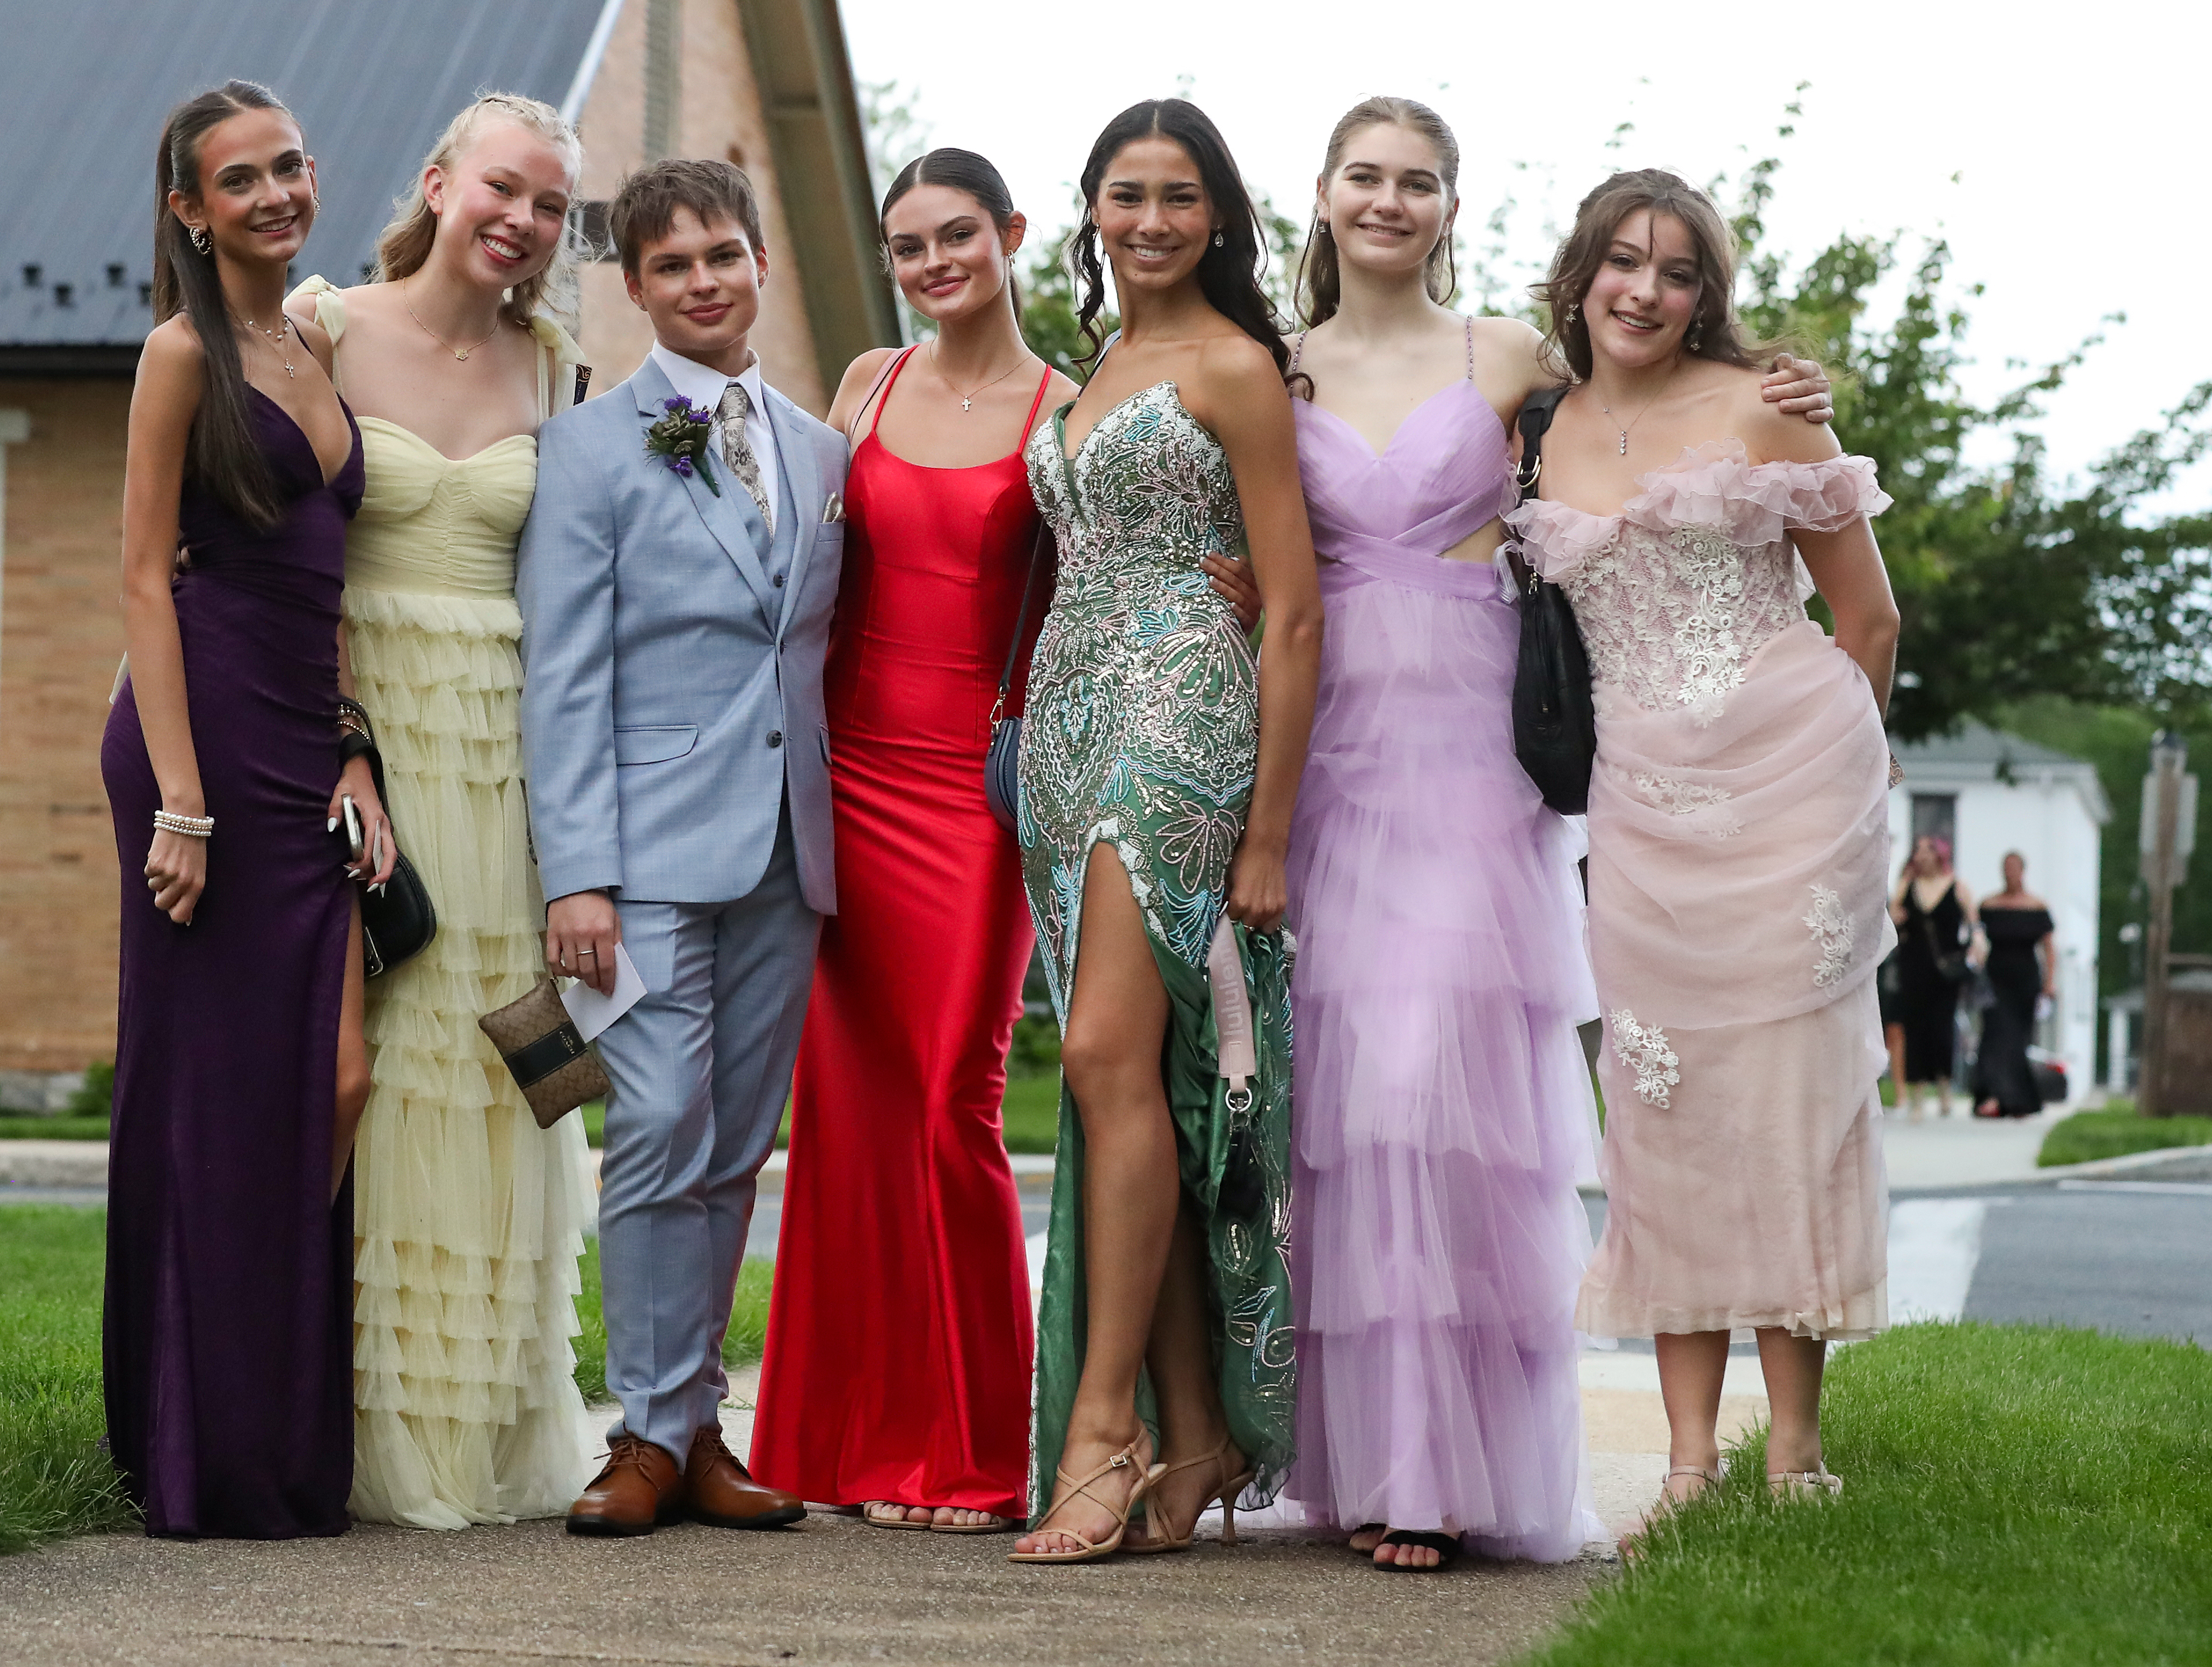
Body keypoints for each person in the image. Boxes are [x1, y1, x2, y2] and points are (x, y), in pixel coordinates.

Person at [1279, 99, 1839, 1573]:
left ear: (1452, 207)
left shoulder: (1513, 364)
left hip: (1476, 743)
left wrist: (1790, 387)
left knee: (1454, 1093)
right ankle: (1382, 1461)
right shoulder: (1273, 368)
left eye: (1418, 181)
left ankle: (1457, 1467)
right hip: (1336, 743)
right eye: (1365, 176)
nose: (1389, 200)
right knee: (1356, 1100)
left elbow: (1663, 417)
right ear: (1323, 196)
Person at [749, 149, 1262, 1536]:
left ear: (1012, 235)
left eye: (955, 235)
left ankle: (973, 1449)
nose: (930, 263)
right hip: (836, 779)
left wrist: (1245, 579)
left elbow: (1171, 522)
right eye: (906, 242)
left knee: (945, 1105)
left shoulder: (1063, 410)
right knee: (845, 1120)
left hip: (979, 788)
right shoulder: (861, 385)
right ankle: (831, 1442)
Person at [1506, 169, 1900, 1537]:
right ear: (1582, 272)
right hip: (1638, 817)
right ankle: (1684, 1460)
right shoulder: (1536, 430)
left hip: (1789, 802)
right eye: (1622, 262)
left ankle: (1790, 1450)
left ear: (1702, 296)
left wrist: (1837, 795)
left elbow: (1867, 621)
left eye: (1675, 273)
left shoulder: (1763, 408)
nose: (1644, 291)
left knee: (1787, 1111)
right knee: (1663, 1121)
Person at [282, 92, 602, 1531]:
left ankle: (483, 1426)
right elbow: (268, 549)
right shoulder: (322, 328)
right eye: (503, 189)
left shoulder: (555, 360)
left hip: (511, 749)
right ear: (437, 182)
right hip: (363, 735)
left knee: (497, 1069)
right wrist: (336, 742)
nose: (523, 222)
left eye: (549, 206)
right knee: (382, 1059)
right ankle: (342, 1420)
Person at [1011, 99, 1322, 1563]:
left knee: (1095, 1062)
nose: (1148, 220)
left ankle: (1098, 1431)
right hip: (1062, 741)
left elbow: (1296, 608)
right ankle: (1188, 1428)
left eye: (1177, 196)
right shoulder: (1091, 371)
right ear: (1089, 211)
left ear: (1217, 217)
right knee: (1137, 1080)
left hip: (1180, 728)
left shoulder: (1233, 368)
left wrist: (1265, 835)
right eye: (1123, 195)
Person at [519, 159, 846, 1538]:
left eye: (722, 254)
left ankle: (699, 1427)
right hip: (641, 858)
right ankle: (642, 1438)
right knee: (654, 1124)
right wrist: (574, 874)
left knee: (733, 1146)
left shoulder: (822, 454)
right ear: (635, 288)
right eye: (671, 266)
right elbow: (562, 674)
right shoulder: (592, 447)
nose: (703, 280)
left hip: (787, 854)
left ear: (760, 261)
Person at [101, 80, 381, 1538]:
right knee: (216, 1103)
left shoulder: (316, 342)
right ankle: (196, 1447)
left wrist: (350, 749)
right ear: (190, 211)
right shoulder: (178, 355)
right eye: (239, 180)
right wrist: (184, 805)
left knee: (331, 1082)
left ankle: (274, 1430)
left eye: (287, 167)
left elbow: (328, 587)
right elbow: (145, 574)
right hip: (194, 748)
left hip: (299, 746)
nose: (273, 195)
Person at [1890, 835, 1977, 1121]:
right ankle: (1916, 1097)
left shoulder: (1957, 887)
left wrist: (1977, 946)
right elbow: (1892, 921)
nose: (1921, 855)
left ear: (1940, 855)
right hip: (1913, 966)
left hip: (1946, 971)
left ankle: (1944, 1090)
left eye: (1927, 850)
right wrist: (1898, 915)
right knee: (1914, 1029)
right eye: (1917, 851)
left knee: (1942, 1029)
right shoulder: (1907, 886)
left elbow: (1974, 924)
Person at [1973, 852, 2056, 1118]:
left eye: (2014, 868)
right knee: (1996, 1035)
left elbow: (2048, 948)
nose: (2010, 872)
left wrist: (2049, 982)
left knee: (2017, 1040)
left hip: (2025, 980)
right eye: (2006, 867)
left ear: (2023, 871)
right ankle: (1995, 1095)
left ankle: (2017, 1098)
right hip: (1996, 978)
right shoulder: (1989, 905)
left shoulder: (2036, 907)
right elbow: (1974, 937)